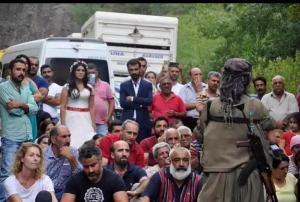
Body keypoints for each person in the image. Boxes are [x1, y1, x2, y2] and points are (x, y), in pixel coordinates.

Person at [197, 58, 276, 202]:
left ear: (224, 79)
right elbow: (272, 132)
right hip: (248, 179)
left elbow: (199, 134)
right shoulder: (255, 106)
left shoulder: (210, 107)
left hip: (215, 176)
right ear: (247, 80)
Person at [0, 58, 38, 201]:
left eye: (23, 70)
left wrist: (20, 105)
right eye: (18, 69)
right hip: (11, 136)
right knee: (7, 173)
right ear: (10, 71)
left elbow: (34, 110)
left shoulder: (25, 88)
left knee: (26, 172)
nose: (21, 72)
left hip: (27, 136)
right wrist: (26, 106)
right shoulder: (3, 88)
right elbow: (12, 110)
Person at [61, 144, 128, 202]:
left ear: (101, 161)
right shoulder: (74, 181)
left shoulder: (115, 180)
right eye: (86, 166)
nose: (90, 170)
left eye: (93, 165)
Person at [60, 61, 96, 149]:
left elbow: (92, 107)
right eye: (78, 70)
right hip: (70, 116)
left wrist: (93, 123)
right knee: (71, 140)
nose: (80, 72)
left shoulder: (90, 88)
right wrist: (63, 123)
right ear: (73, 72)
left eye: (83, 70)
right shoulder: (67, 87)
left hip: (85, 117)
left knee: (87, 139)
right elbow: (63, 106)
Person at [44, 125, 81, 201]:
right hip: (48, 193)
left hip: (67, 193)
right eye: (64, 137)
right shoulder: (43, 154)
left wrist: (71, 159)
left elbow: (80, 177)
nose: (68, 140)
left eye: (69, 136)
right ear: (53, 140)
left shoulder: (74, 151)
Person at [120, 58, 153, 142]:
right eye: (131, 70)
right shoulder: (124, 85)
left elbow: (149, 101)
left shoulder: (147, 85)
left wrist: (132, 99)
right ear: (128, 70)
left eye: (136, 69)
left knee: (142, 144)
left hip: (143, 121)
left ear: (140, 69)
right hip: (127, 119)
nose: (134, 72)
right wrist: (141, 104)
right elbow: (123, 103)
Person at [87, 63, 114, 135]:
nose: (91, 75)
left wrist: (108, 117)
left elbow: (111, 101)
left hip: (102, 122)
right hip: (87, 121)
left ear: (97, 73)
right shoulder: (84, 86)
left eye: (93, 72)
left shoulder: (105, 85)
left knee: (103, 142)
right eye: (88, 73)